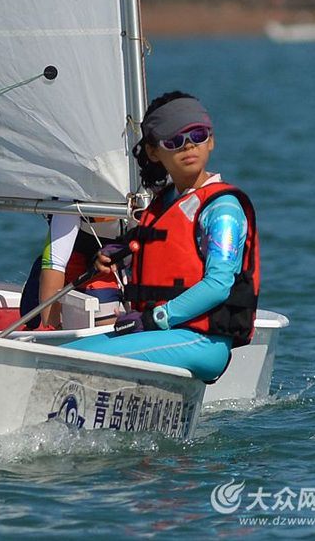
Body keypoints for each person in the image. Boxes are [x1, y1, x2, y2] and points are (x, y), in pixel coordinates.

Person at [60, 91, 259, 383]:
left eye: (198, 135)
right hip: (161, 334)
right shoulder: (163, 203)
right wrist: (118, 255)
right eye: (174, 141)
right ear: (154, 152)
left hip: (203, 342)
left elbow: (218, 285)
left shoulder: (223, 210)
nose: (188, 145)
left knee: (76, 362)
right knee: (67, 353)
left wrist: (157, 318)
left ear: (212, 141)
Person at [20, 213, 127, 329]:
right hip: (87, 289)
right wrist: (54, 328)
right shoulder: (71, 205)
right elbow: (54, 263)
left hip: (124, 280)